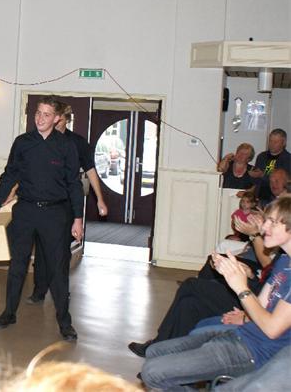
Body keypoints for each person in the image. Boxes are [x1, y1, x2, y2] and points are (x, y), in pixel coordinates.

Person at [139, 196, 291, 390]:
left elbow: (272, 329)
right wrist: (243, 308)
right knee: (154, 352)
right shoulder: (284, 261)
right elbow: (261, 305)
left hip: (254, 352)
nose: (264, 227)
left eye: (273, 222)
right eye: (266, 220)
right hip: (243, 335)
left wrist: (241, 287)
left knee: (151, 372)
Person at [0, 96, 83, 342]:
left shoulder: (66, 146)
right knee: (17, 265)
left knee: (57, 269)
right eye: (38, 113)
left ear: (57, 119)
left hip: (55, 214)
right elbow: (9, 175)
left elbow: (74, 184)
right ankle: (9, 313)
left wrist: (78, 218)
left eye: (46, 114)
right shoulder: (22, 143)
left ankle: (65, 322)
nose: (40, 118)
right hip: (26, 211)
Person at [28, 102, 108, 304]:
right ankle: (39, 291)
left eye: (59, 119)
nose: (54, 123)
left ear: (65, 120)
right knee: (41, 249)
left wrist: (100, 199)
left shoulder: (77, 143)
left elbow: (90, 170)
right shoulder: (38, 140)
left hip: (65, 204)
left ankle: (61, 291)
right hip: (41, 204)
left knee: (61, 250)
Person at [250, 129, 290, 202]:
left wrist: (262, 175)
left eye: (275, 142)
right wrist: (253, 175)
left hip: (278, 200)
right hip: (259, 197)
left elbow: (285, 183)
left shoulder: (288, 159)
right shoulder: (261, 156)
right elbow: (256, 182)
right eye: (270, 141)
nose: (272, 144)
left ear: (283, 143)